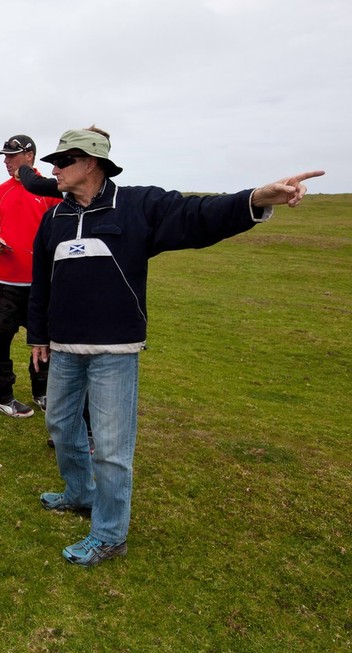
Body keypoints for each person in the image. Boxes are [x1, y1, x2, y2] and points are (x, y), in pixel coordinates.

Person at [27, 127, 324, 567]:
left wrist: (256, 198)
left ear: (90, 163)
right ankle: (79, 492)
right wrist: (37, 335)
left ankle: (109, 535)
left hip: (115, 351)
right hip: (64, 347)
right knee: (61, 425)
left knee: (110, 448)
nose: (54, 169)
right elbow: (41, 282)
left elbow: (198, 214)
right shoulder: (53, 218)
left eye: (63, 161)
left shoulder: (138, 205)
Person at [0, 135, 61, 419]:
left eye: (11, 155)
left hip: (41, 282)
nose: (6, 161)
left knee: (43, 339)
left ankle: (43, 392)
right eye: (4, 156)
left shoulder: (51, 190)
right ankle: (3, 395)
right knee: (3, 338)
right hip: (6, 280)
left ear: (29, 155)